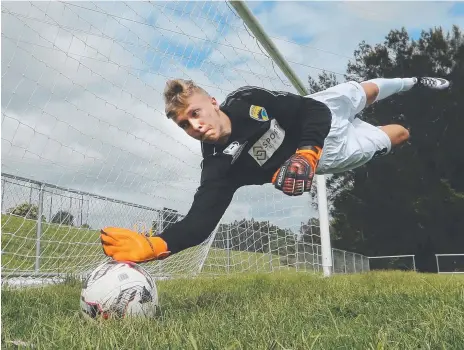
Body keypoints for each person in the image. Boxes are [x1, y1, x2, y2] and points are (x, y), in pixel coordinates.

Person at [100, 76, 450, 262]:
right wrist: (158, 244)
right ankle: (414, 121)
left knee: (363, 90)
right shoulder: (220, 167)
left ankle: (412, 82)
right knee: (398, 134)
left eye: (194, 113)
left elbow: (313, 112)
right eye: (183, 125)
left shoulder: (248, 100)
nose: (194, 126)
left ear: (211, 102)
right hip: (334, 154)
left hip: (316, 122)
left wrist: (306, 153)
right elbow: (199, 222)